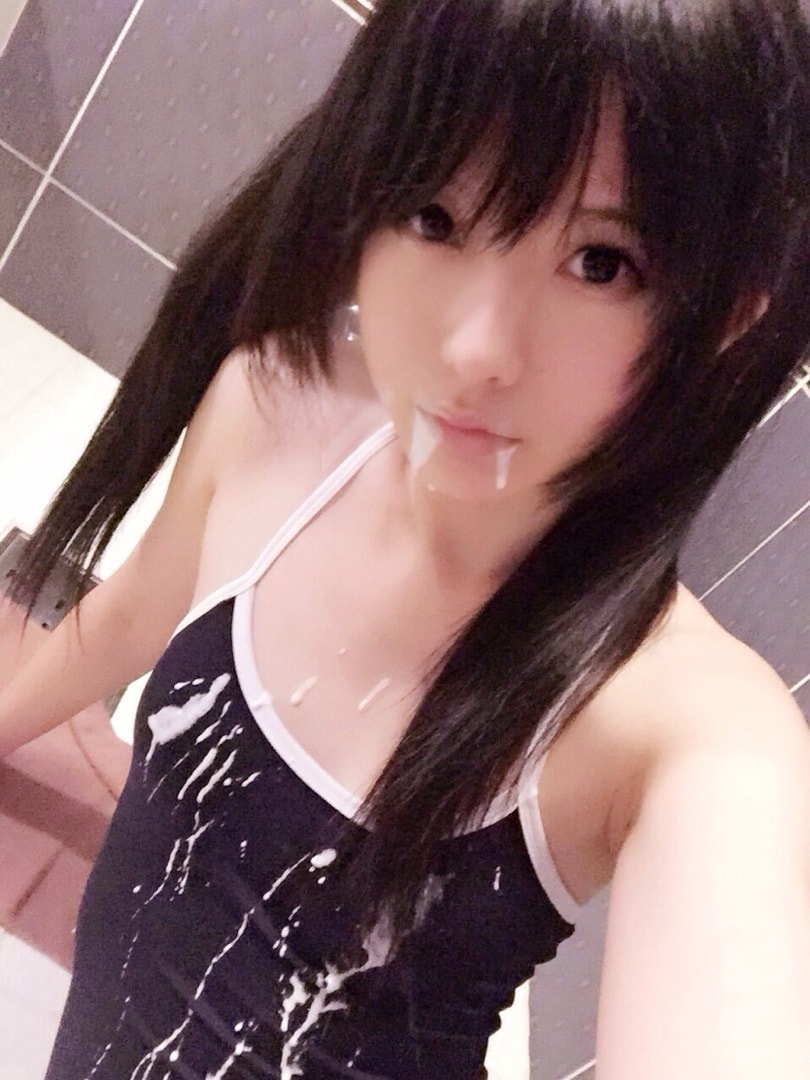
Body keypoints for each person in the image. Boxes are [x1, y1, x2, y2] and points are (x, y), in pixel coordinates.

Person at [2, 0, 810, 1076]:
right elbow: (131, 616)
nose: (476, 347)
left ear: (721, 324)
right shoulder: (275, 409)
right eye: (435, 214)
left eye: (602, 264)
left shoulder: (690, 732)